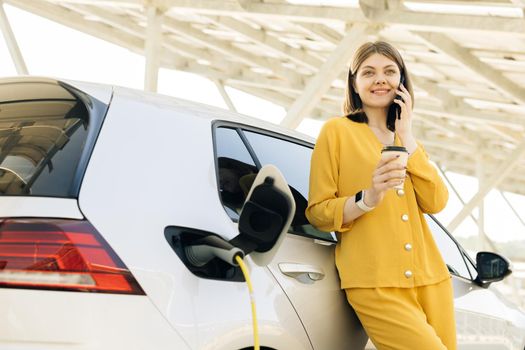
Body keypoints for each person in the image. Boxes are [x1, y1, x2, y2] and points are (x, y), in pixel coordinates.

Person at [305, 41, 457, 350]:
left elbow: (436, 201)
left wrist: (408, 135)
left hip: (431, 279)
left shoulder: (407, 138)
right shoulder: (336, 132)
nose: (380, 80)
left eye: (390, 71)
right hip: (374, 282)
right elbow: (318, 212)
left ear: (402, 81)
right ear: (354, 82)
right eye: (368, 72)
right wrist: (367, 199)